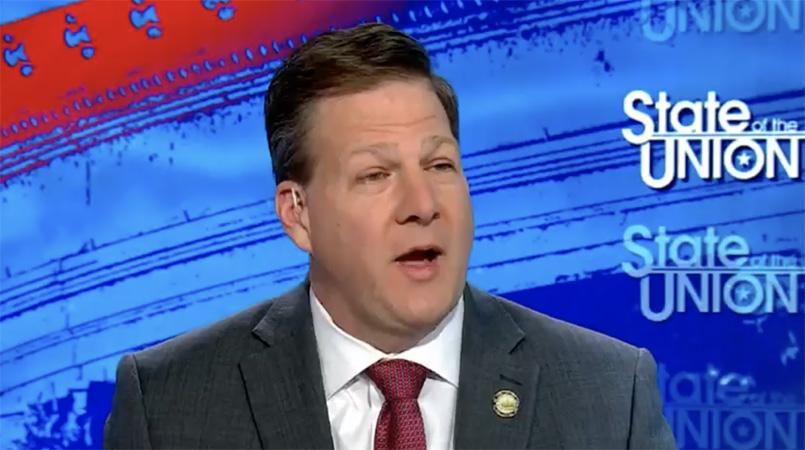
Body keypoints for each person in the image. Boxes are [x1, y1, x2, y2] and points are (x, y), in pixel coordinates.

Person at [104, 23, 677, 449]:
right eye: (376, 175)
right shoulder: (169, 404)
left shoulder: (607, 394)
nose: (422, 205)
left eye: (440, 165)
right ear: (298, 214)